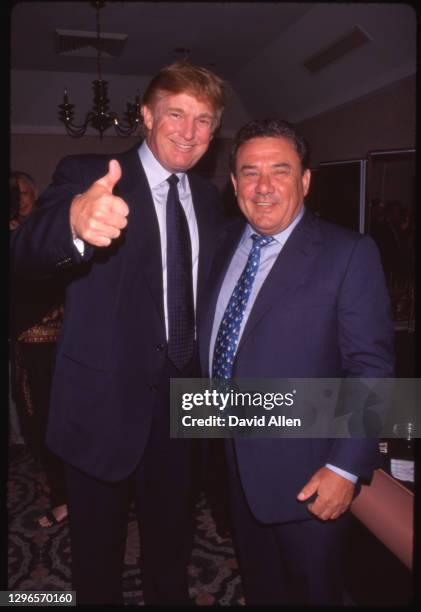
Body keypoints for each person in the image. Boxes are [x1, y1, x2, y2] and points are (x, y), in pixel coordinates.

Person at [10, 62, 226, 605]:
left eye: (203, 120)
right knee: (96, 558)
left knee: (172, 548)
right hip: (101, 408)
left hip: (185, 408)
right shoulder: (88, 172)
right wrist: (75, 224)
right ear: (147, 115)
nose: (188, 130)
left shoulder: (211, 200)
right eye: (175, 113)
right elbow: (25, 250)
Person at [199, 119, 394, 605]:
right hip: (232, 466)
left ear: (305, 180)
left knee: (313, 594)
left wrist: (346, 469)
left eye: (280, 171)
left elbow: (372, 368)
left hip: (310, 477)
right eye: (249, 172)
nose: (263, 186)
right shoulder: (220, 244)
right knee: (262, 589)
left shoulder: (348, 253)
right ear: (234, 183)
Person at [9, 172, 68, 528]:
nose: (25, 198)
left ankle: (70, 495)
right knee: (38, 423)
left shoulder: (48, 231)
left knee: (65, 422)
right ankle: (62, 494)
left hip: (63, 345)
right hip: (29, 350)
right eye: (18, 193)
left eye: (29, 192)